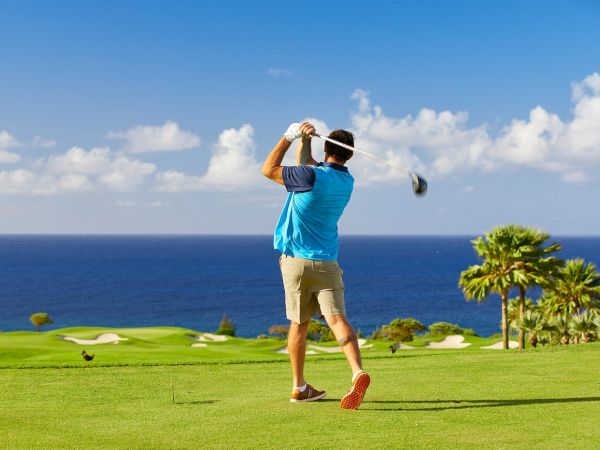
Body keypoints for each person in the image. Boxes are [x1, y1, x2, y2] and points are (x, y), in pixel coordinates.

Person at [261, 121, 370, 410]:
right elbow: (307, 166)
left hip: (295, 262)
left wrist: (289, 136)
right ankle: (357, 371)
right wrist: (306, 142)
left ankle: (299, 387)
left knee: (299, 324)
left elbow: (269, 170)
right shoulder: (346, 182)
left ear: (327, 147)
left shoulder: (309, 176)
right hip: (327, 263)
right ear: (349, 156)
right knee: (337, 320)